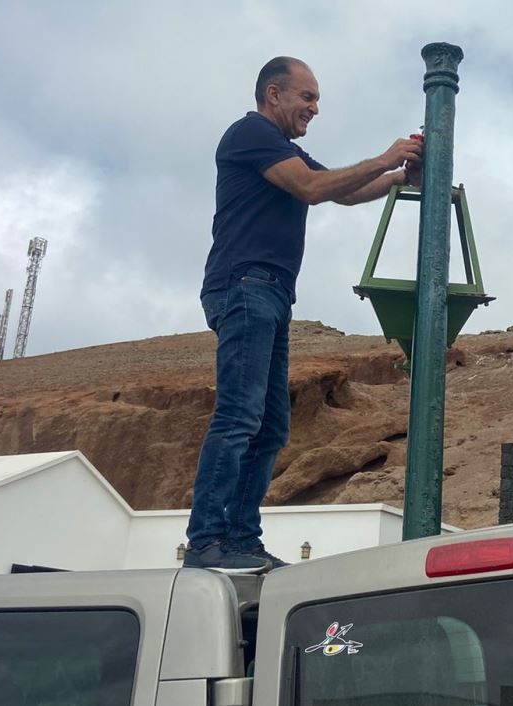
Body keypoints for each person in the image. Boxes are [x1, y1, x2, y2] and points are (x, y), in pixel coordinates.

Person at [183, 57, 423, 572]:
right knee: (240, 416)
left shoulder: (286, 151)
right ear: (274, 94)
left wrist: (400, 175)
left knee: (269, 426)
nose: (315, 108)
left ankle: (242, 539)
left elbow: (345, 191)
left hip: (270, 295)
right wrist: (385, 158)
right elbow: (314, 190)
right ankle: (206, 541)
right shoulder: (250, 133)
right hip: (245, 286)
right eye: (307, 97)